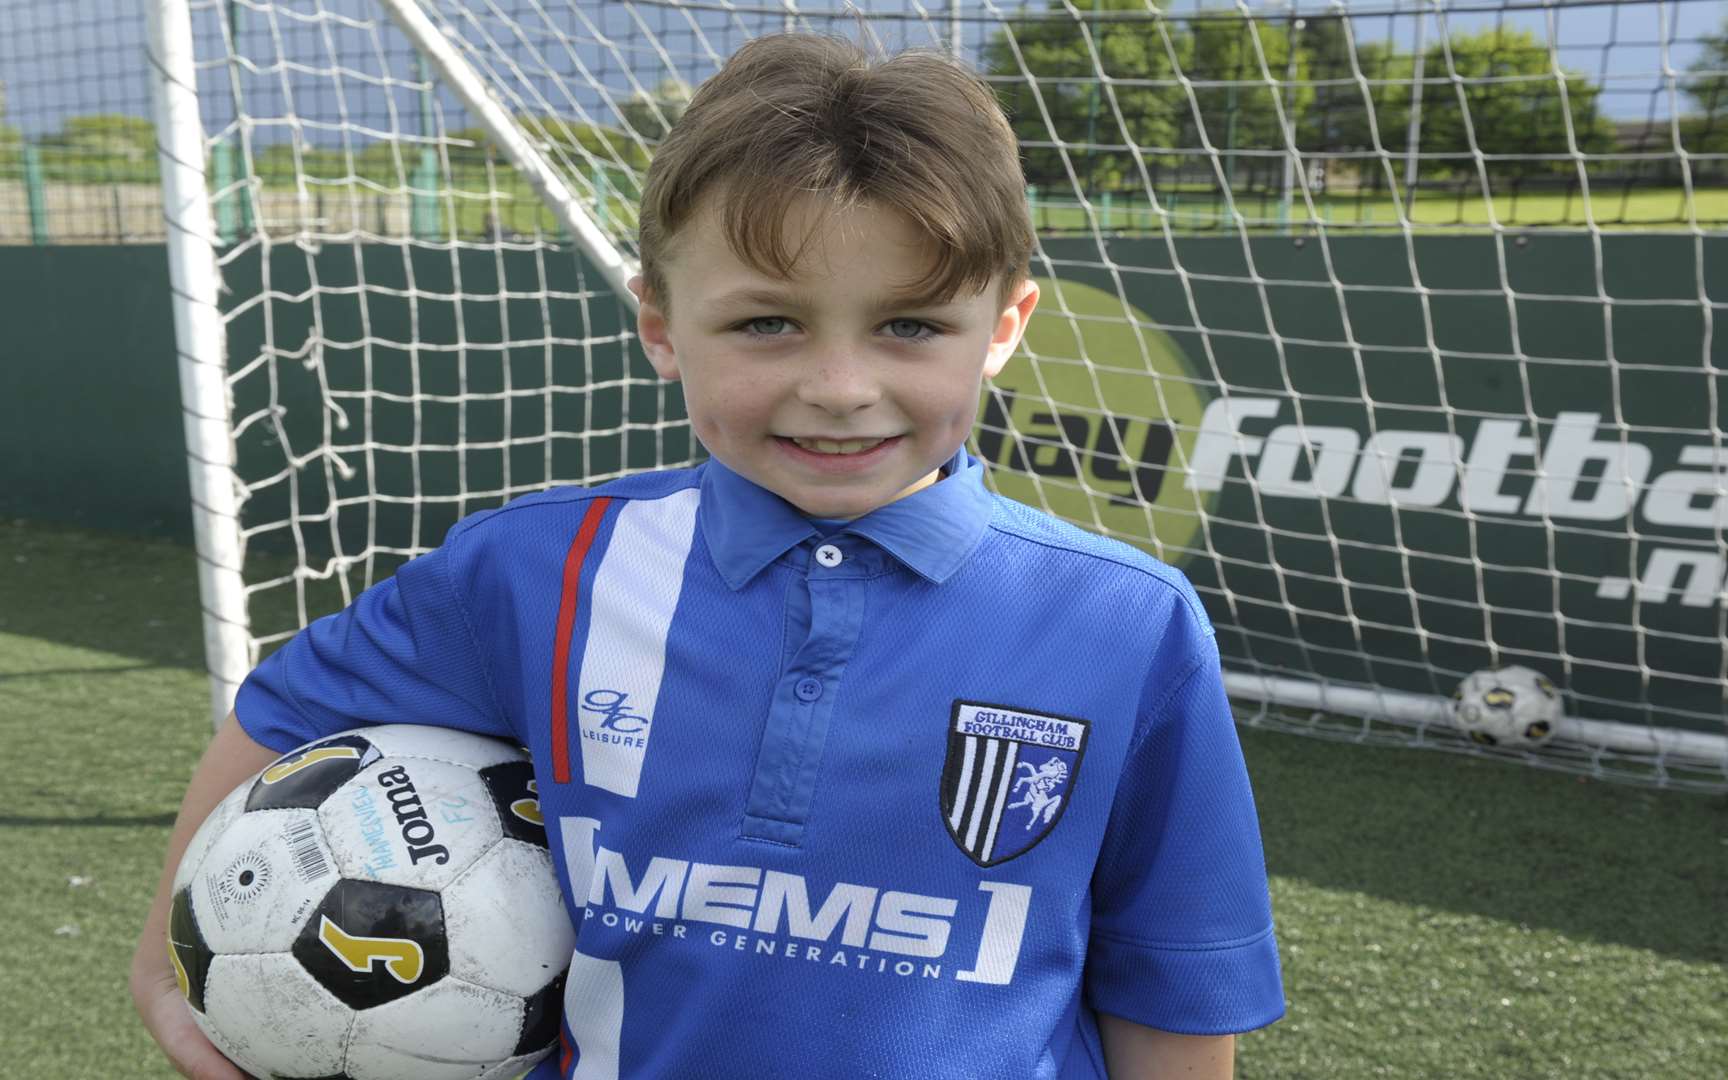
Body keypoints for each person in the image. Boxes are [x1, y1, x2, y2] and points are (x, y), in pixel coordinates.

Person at [131, 33, 1284, 1079]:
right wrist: (170, 961)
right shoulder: (537, 572)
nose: (839, 388)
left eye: (912, 325)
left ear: (1008, 328)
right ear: (659, 326)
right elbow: (288, 710)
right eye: (766, 323)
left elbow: (1172, 984)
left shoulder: (1122, 623)